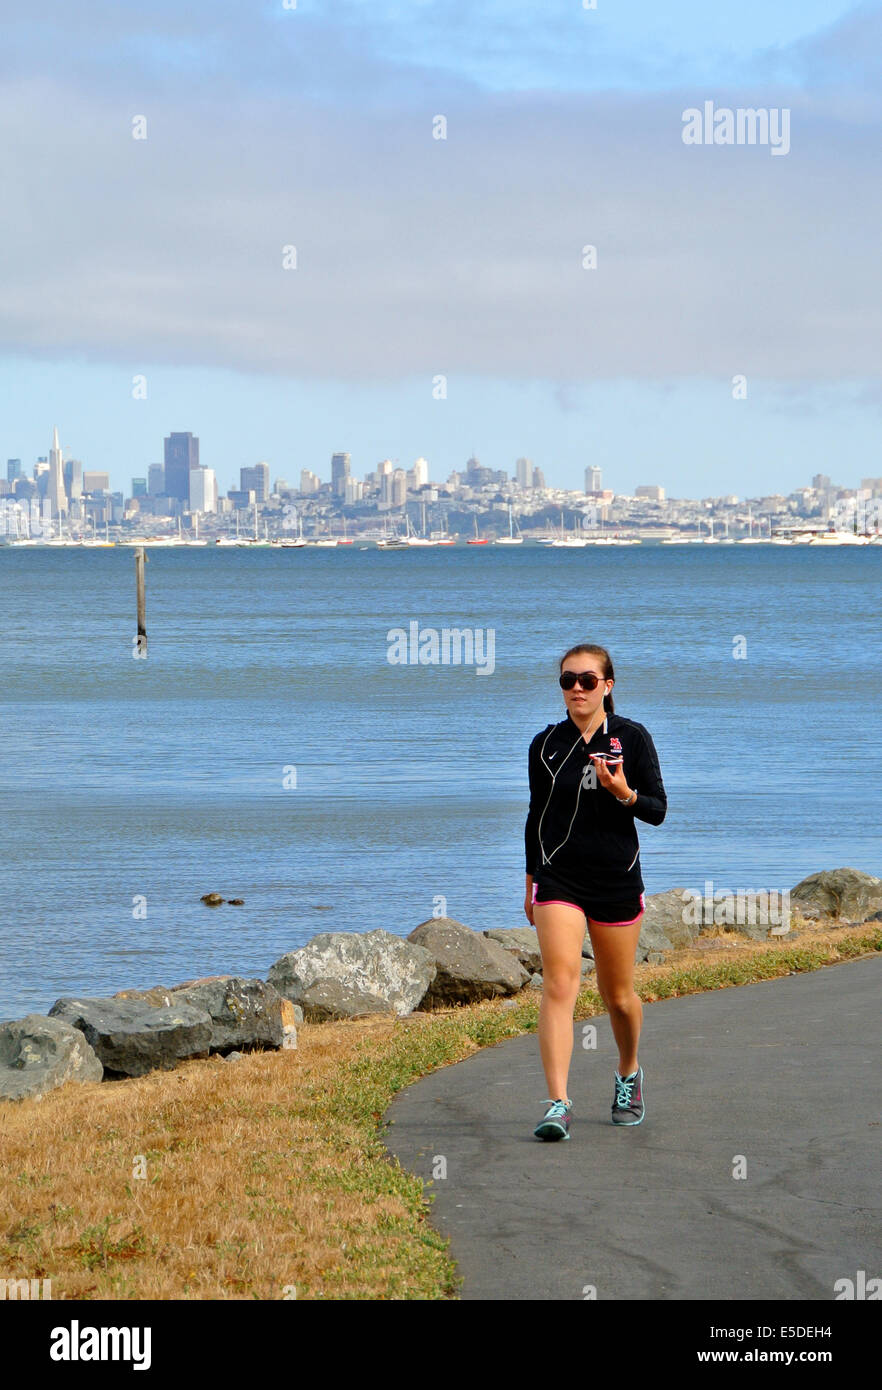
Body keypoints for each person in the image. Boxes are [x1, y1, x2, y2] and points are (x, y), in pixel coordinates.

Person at [524, 643, 667, 1140]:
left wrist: (622, 792)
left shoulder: (631, 737)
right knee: (560, 984)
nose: (577, 689)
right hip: (559, 879)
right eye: (568, 681)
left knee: (618, 995)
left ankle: (628, 1074)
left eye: (587, 680)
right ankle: (557, 1103)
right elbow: (535, 818)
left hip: (615, 878)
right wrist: (531, 882)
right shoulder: (546, 745)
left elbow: (656, 810)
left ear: (608, 684)